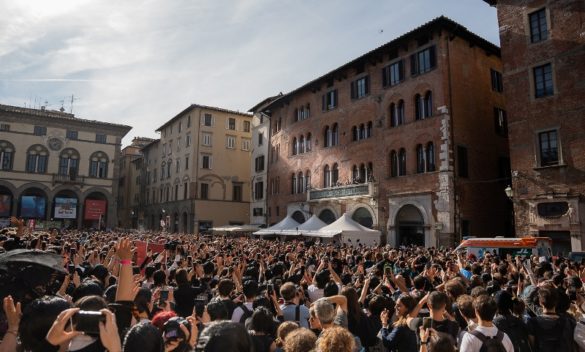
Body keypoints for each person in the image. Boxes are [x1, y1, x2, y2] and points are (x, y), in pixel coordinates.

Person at [526, 285, 576, 352]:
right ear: (556, 302)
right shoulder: (569, 322)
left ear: (540, 303)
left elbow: (532, 346)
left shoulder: (532, 323)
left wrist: (537, 286)